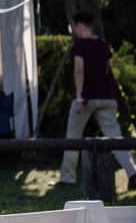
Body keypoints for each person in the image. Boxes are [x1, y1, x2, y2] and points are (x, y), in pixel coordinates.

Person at [57, 12, 136, 189]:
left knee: (73, 137)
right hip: (106, 96)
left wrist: (79, 96)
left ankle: (68, 177)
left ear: (79, 25)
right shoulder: (102, 45)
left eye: (74, 27)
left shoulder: (79, 45)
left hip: (86, 98)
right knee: (115, 138)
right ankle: (132, 172)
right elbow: (106, 71)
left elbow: (79, 71)